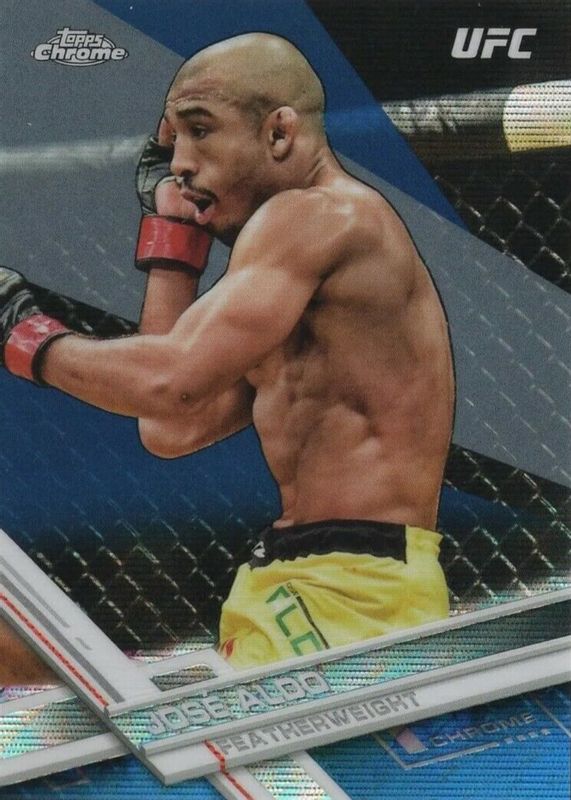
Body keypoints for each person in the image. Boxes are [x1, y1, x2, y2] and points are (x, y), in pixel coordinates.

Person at [0, 33, 454, 679]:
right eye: (174, 141)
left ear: (279, 133)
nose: (181, 163)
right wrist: (174, 241)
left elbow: (171, 382)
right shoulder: (295, 269)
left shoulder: (320, 215)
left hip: (352, 586)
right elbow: (172, 426)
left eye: (201, 130)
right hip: (314, 577)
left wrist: (21, 331)